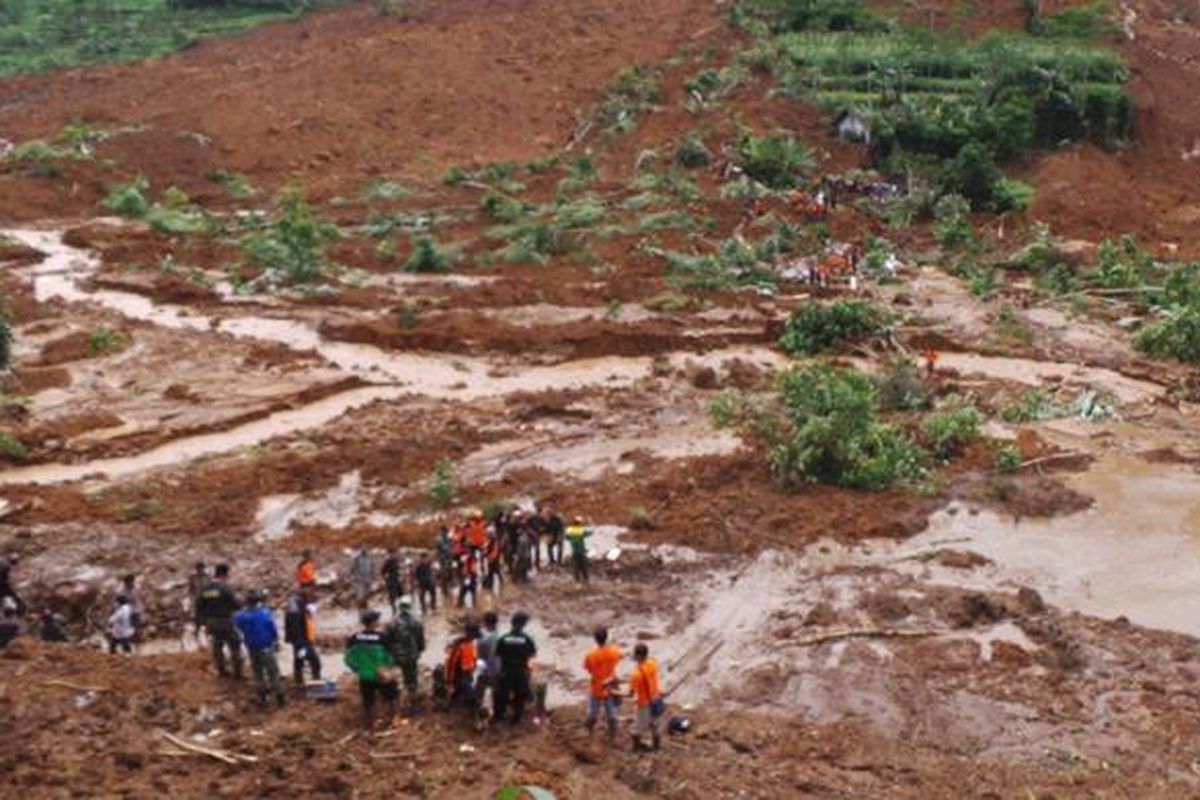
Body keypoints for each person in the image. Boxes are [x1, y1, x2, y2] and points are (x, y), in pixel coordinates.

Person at [344, 609, 399, 730]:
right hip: (380, 674)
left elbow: (347, 658)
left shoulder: (354, 638)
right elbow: (390, 658)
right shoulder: (382, 637)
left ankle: (370, 724)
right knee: (392, 696)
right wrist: (387, 669)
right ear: (374, 622)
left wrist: (357, 669)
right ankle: (393, 720)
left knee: (368, 701)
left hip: (364, 675)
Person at [234, 590, 286, 709]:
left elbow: (238, 626)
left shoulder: (240, 616)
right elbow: (272, 629)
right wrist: (276, 641)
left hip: (252, 647)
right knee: (273, 672)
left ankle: (262, 698)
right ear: (258, 601)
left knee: (258, 673)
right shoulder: (264, 613)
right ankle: (280, 699)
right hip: (266, 647)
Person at [196, 563, 244, 679]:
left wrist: (203, 621)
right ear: (225, 575)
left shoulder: (205, 589)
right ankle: (238, 673)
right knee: (235, 646)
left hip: (211, 622)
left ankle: (221, 671)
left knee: (217, 646)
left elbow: (198, 605)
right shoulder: (226, 589)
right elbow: (237, 605)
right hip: (226, 621)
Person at [494, 611, 537, 725]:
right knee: (520, 695)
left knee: (502, 694)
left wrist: (498, 672)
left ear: (512, 623)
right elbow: (532, 655)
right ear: (523, 624)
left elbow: (497, 656)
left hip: (506, 670)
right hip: (521, 671)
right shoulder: (527, 639)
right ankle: (516, 718)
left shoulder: (503, 638)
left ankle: (499, 716)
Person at [383, 597, 425, 712]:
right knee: (412, 681)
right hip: (411, 656)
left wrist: (389, 653)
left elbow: (386, 640)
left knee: (393, 679)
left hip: (396, 656)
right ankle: (413, 705)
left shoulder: (392, 622)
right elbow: (420, 640)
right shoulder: (416, 622)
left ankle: (393, 705)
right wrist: (419, 651)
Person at [583, 627, 622, 739]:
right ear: (606, 637)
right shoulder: (614, 652)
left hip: (596, 686)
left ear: (595, 639)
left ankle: (589, 733)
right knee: (612, 714)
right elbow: (618, 659)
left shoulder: (590, 654)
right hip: (610, 686)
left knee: (592, 712)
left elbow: (587, 668)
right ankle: (611, 736)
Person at [628, 643, 663, 751]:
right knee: (655, 724)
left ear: (638, 656)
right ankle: (657, 747)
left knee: (636, 728)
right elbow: (645, 679)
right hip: (655, 698)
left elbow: (630, 694)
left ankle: (636, 747)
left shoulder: (635, 673)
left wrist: (613, 692)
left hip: (643, 703)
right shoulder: (652, 663)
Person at [283, 587, 321, 686]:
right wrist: (301, 646)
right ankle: (316, 682)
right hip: (301, 640)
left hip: (303, 638)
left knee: (299, 661)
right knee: (315, 661)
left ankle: (299, 682)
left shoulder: (298, 605)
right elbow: (295, 630)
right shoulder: (295, 610)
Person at [444, 620, 480, 718]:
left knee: (461, 692)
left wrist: (474, 667)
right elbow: (451, 663)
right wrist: (449, 681)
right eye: (473, 635)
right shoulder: (459, 645)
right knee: (472, 696)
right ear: (469, 633)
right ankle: (475, 717)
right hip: (459, 675)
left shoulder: (471, 643)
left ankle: (452, 700)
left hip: (467, 673)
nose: (474, 638)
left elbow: (473, 658)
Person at [475, 611, 501, 718]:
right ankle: (495, 712)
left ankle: (479, 714)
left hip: (486, 670)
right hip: (499, 669)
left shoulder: (482, 640)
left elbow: (479, 657)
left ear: (485, 623)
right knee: (495, 692)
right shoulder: (500, 636)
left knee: (479, 693)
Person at [565, 517, 593, 584]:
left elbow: (567, 537)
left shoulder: (570, 530)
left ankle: (577, 581)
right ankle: (586, 580)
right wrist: (591, 523)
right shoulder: (580, 530)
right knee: (584, 567)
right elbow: (590, 533)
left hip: (574, 551)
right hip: (581, 551)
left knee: (576, 568)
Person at [187, 562, 208, 640]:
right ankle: (196, 632)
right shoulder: (192, 578)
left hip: (206, 600)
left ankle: (207, 633)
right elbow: (190, 590)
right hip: (197, 600)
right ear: (196, 569)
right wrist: (191, 600)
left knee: (207, 617)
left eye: (202, 568)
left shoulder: (207, 577)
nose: (200, 570)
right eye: (199, 568)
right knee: (197, 617)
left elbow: (210, 588)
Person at [381, 550, 404, 614]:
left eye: (396, 554)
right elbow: (382, 571)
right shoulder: (387, 561)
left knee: (401, 594)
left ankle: (401, 608)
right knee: (392, 595)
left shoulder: (396, 561)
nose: (395, 555)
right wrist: (386, 578)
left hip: (397, 579)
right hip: (391, 581)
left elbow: (398, 569)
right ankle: (394, 609)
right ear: (390, 554)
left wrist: (400, 575)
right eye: (394, 554)